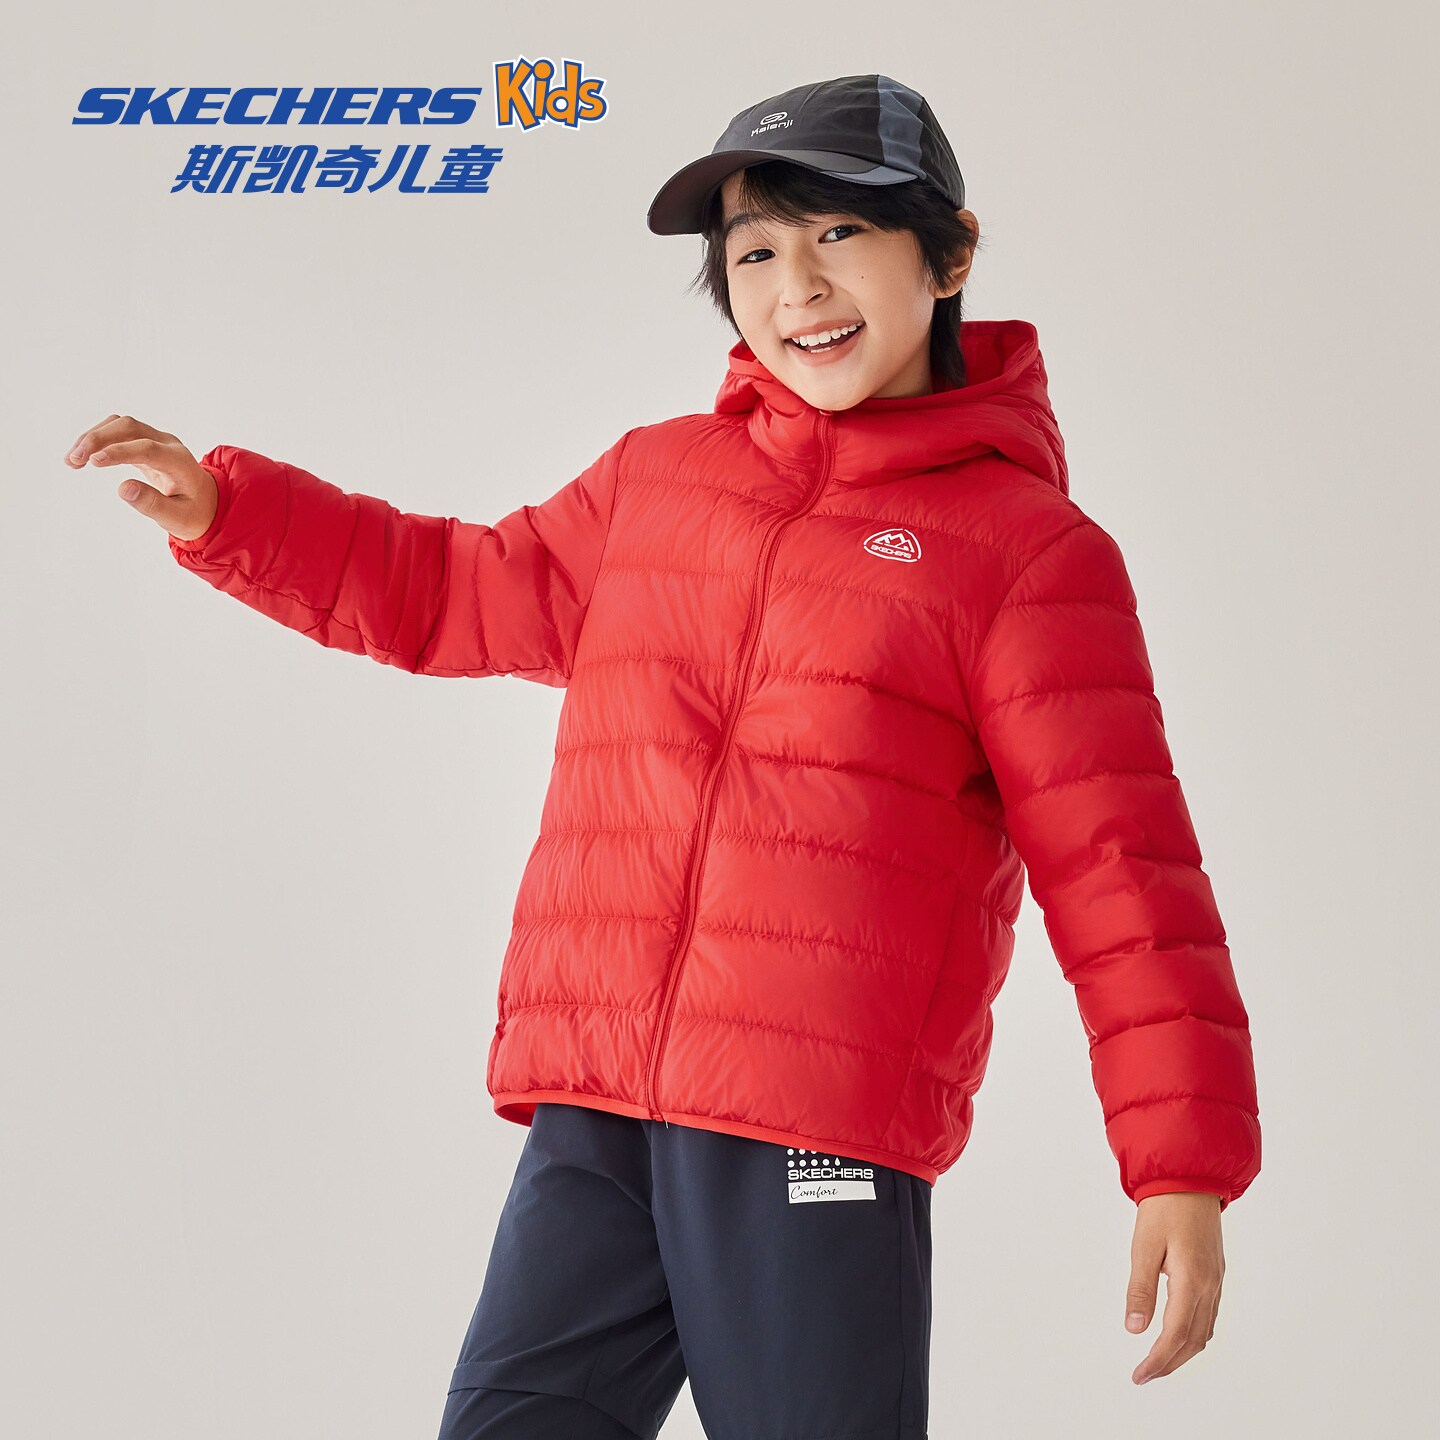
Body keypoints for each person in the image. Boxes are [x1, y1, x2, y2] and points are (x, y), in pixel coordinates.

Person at [63, 73, 1260, 1437]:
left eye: (840, 234)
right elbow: (455, 590)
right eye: (755, 252)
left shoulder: (1027, 556)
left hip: (814, 1123)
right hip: (598, 1103)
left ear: (949, 254)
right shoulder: (659, 483)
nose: (797, 287)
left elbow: (1122, 871)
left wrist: (1180, 1162)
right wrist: (230, 514)